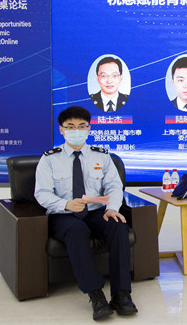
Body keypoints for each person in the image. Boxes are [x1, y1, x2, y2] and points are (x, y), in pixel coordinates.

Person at [34, 106, 138, 320]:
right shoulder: (49, 159)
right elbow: (42, 193)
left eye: (82, 126)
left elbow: (114, 186)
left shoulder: (102, 156)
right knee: (76, 230)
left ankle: (121, 294)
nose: (76, 131)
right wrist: (65, 204)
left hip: (95, 212)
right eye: (70, 127)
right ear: (61, 130)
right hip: (63, 215)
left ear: (89, 129)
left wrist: (112, 208)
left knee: (118, 226)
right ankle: (96, 295)